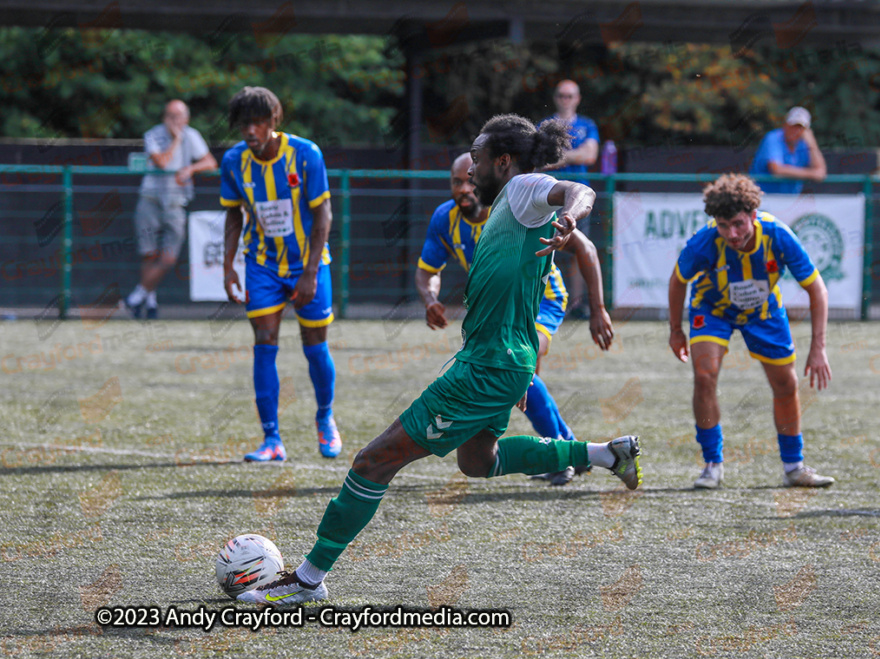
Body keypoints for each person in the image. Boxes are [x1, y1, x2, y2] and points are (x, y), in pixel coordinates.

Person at [238, 114, 641, 605]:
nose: (470, 167)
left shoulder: (522, 189)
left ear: (504, 160)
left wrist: (572, 214)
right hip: (502, 361)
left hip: (489, 368)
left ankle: (307, 579)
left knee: (373, 461)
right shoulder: (500, 206)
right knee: (478, 462)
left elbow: (578, 188)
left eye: (476, 155)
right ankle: (603, 453)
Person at [415, 153, 615, 486]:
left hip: (542, 301)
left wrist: (598, 309)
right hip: (498, 312)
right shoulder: (445, 218)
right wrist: (430, 300)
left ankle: (564, 457)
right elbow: (426, 273)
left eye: (469, 179)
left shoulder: (515, 208)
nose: (464, 188)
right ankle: (573, 453)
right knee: (512, 380)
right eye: (456, 182)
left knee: (518, 375)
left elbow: (587, 248)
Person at [667, 174, 834, 489]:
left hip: (763, 311)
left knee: (786, 383)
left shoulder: (778, 235)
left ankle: (794, 467)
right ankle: (712, 465)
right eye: (724, 225)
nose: (732, 233)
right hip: (712, 309)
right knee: (704, 375)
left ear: (753, 217)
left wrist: (819, 347)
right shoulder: (704, 241)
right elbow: (678, 281)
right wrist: (676, 330)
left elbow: (817, 290)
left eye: (739, 224)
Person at [219, 87, 342, 461]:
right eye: (245, 124)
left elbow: (324, 215)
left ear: (274, 121)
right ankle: (272, 440)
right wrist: (228, 266)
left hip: (309, 264)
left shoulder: (305, 155)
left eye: (258, 122)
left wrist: (308, 273)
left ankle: (325, 419)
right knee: (264, 341)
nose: (251, 130)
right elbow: (233, 214)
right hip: (262, 265)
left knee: (314, 345)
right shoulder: (233, 161)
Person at [125, 100, 217, 318]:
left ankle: (137, 296)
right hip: (150, 201)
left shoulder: (192, 135)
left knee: (168, 258)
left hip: (176, 203)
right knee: (149, 253)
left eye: (178, 117)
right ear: (164, 117)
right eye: (170, 116)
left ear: (186, 118)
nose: (175, 121)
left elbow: (211, 163)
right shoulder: (153, 135)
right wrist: (176, 140)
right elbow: (163, 163)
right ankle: (149, 301)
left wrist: (191, 169)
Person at [541, 80, 600, 320]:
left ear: (577, 98)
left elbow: (590, 155)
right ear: (556, 97)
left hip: (577, 200)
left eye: (570, 96)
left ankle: (575, 304)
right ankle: (541, 297)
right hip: (548, 196)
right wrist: (573, 156)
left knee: (578, 250)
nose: (566, 100)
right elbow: (541, 159)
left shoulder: (587, 125)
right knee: (543, 246)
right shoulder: (544, 125)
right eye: (562, 96)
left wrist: (560, 158)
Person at [749, 107, 827, 195]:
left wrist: (812, 144)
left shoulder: (804, 144)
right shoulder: (773, 138)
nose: (795, 131)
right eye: (793, 126)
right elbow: (777, 170)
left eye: (800, 127)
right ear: (785, 125)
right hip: (762, 198)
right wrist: (811, 174)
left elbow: (821, 172)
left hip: (789, 201)